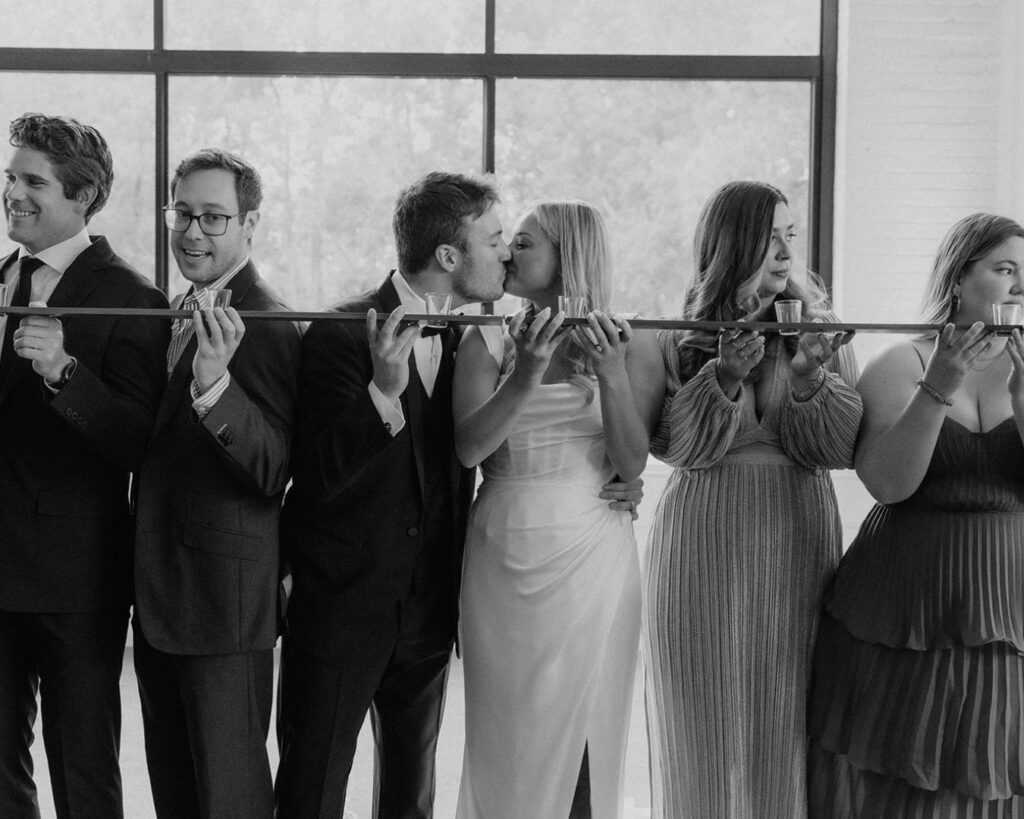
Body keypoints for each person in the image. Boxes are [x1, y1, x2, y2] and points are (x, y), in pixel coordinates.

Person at [275, 173, 641, 818]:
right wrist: (382, 393)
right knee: (313, 787)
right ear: (450, 257)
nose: (505, 253)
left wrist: (618, 473)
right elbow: (317, 475)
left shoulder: (466, 333)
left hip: (434, 604)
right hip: (344, 604)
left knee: (412, 794)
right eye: (496, 238)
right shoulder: (338, 332)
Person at [644, 180, 862, 818]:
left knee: (791, 716)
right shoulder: (680, 334)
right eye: (769, 235)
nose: (785, 248)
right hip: (701, 535)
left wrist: (806, 375)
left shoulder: (822, 332)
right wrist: (726, 374)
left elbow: (842, 448)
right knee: (701, 720)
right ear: (730, 243)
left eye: (791, 234)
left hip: (796, 533)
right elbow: (676, 449)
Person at [453, 200, 664, 818]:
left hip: (592, 553)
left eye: (524, 243)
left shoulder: (633, 340)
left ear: (567, 257)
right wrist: (526, 372)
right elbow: (469, 449)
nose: (508, 254)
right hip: (502, 547)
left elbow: (630, 465)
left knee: (586, 729)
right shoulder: (487, 337)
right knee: (507, 736)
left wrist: (612, 376)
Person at [808, 213, 1024, 816]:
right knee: (896, 776)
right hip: (901, 607)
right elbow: (888, 483)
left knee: (994, 771)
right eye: (1004, 269)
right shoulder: (899, 363)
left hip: (1006, 609)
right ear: (958, 279)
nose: (1019, 287)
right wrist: (942, 383)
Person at [0, 113, 169, 818]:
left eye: (32, 180)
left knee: (84, 768)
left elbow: (138, 444)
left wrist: (66, 371)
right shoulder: (4, 275)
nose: (12, 192)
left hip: (77, 578)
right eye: (10, 177)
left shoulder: (134, 297)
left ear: (83, 194)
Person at [131, 148, 301, 818]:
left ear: (250, 223)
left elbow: (274, 470)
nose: (192, 232)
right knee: (176, 795)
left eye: (214, 218)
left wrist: (215, 385)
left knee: (230, 800)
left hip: (225, 604)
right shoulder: (174, 310)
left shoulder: (269, 322)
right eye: (184, 213)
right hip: (160, 596)